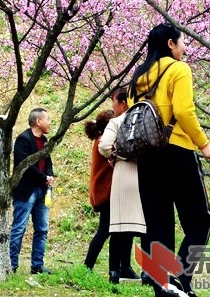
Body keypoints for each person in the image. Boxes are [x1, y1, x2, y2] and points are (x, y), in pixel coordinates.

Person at [132, 23, 210, 297]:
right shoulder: (179, 69)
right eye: (183, 43)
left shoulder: (139, 75)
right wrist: (204, 144)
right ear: (171, 44)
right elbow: (183, 110)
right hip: (177, 151)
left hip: (147, 156)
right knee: (200, 220)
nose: (185, 48)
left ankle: (163, 288)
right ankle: (183, 275)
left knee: (158, 225)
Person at [98, 87, 143, 284]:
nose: (112, 107)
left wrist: (115, 156)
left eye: (114, 102)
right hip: (143, 175)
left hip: (123, 173)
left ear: (123, 103)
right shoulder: (143, 121)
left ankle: (114, 272)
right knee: (140, 226)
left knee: (117, 226)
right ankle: (148, 273)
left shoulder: (116, 122)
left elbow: (104, 146)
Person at [9, 108, 56, 275]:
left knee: (42, 229)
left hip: (42, 190)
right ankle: (11, 265)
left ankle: (37, 266)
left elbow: (47, 160)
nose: (50, 122)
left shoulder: (45, 140)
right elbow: (25, 165)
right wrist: (43, 177)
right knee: (19, 227)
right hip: (26, 191)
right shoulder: (23, 139)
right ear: (38, 121)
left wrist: (49, 175)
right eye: (48, 119)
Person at [83, 109, 115, 276]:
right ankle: (87, 266)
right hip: (106, 192)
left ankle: (88, 266)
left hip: (103, 191)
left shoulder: (99, 140)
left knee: (107, 231)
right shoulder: (104, 142)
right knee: (105, 231)